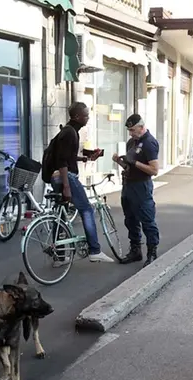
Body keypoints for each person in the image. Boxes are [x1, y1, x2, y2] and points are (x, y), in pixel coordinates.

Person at [49, 102, 114, 263]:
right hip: (66, 177)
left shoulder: (69, 131)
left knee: (60, 215)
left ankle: (60, 255)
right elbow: (62, 161)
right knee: (87, 209)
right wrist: (66, 186)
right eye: (86, 115)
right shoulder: (70, 133)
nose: (88, 118)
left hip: (58, 175)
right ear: (77, 116)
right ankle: (94, 250)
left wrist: (84, 158)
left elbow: (65, 155)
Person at [113, 114, 161, 266]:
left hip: (141, 186)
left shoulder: (149, 143)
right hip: (128, 185)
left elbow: (154, 170)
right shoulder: (131, 143)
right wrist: (120, 161)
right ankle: (135, 250)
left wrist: (135, 163)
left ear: (141, 127)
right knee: (130, 219)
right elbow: (128, 166)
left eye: (133, 130)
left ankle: (152, 252)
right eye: (129, 130)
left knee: (147, 219)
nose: (131, 133)